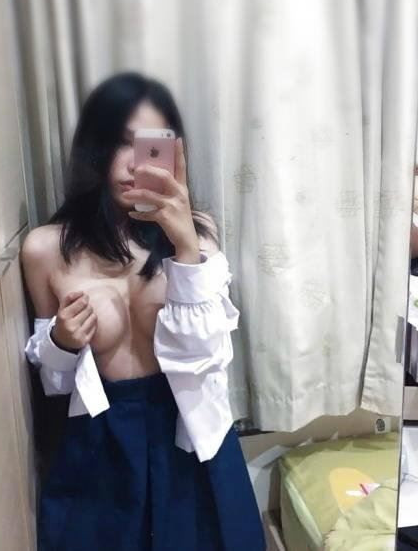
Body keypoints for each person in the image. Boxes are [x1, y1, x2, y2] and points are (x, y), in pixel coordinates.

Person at [21, 71, 265, 550]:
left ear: (174, 154)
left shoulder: (198, 233)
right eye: (121, 142)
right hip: (100, 443)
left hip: (189, 434)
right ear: (96, 148)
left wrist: (185, 245)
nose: (136, 163)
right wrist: (61, 343)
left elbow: (209, 356)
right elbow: (56, 384)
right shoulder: (45, 249)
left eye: (152, 146)